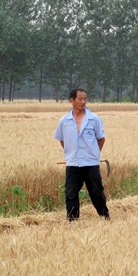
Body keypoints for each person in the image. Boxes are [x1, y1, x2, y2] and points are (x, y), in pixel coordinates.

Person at [54, 88, 110, 221]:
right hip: (73, 163)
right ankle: (73, 221)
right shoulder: (64, 121)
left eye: (85, 99)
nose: (83, 102)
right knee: (71, 193)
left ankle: (105, 217)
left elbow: (101, 139)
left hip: (91, 163)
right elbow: (62, 140)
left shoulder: (94, 119)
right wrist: (72, 154)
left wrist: (93, 153)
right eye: (80, 99)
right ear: (71, 100)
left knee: (96, 192)